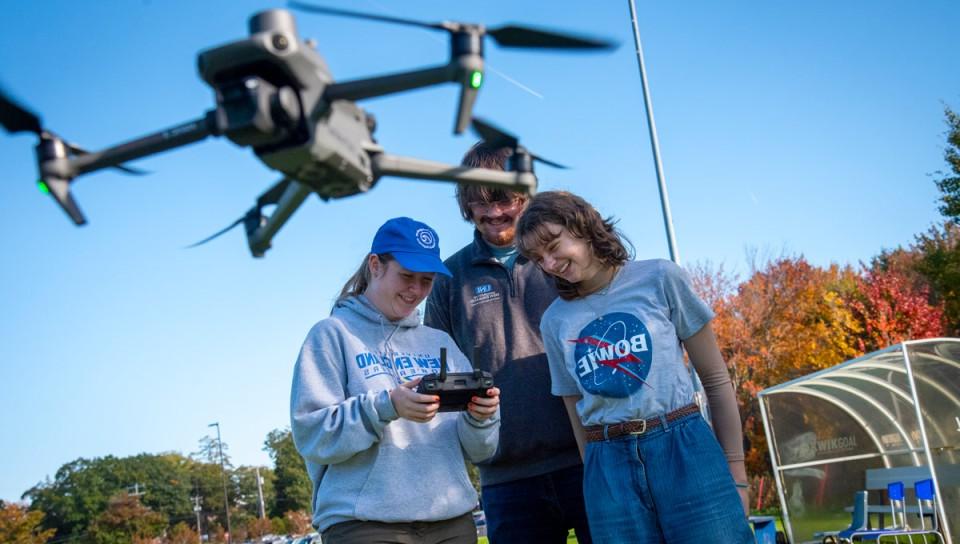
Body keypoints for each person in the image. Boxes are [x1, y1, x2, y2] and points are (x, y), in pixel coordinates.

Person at [515, 191, 753, 543]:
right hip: (607, 464)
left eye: (553, 245)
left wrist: (736, 471)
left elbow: (716, 380)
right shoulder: (554, 321)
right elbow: (573, 410)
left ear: (582, 224)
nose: (549, 264)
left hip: (684, 447)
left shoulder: (660, 278)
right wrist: (596, 479)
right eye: (538, 258)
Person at [291, 216, 501, 544]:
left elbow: (480, 450)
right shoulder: (331, 335)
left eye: (426, 280)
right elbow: (313, 435)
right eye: (406, 276)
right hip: (366, 524)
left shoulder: (440, 342)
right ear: (375, 265)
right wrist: (387, 406)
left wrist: (481, 417)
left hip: (450, 521)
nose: (416, 291)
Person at [424, 144, 591, 543]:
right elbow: (436, 369)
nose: (494, 213)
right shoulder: (448, 278)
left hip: (588, 458)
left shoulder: (564, 258)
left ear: (526, 195)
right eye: (480, 203)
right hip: (506, 479)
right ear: (465, 206)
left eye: (504, 199)